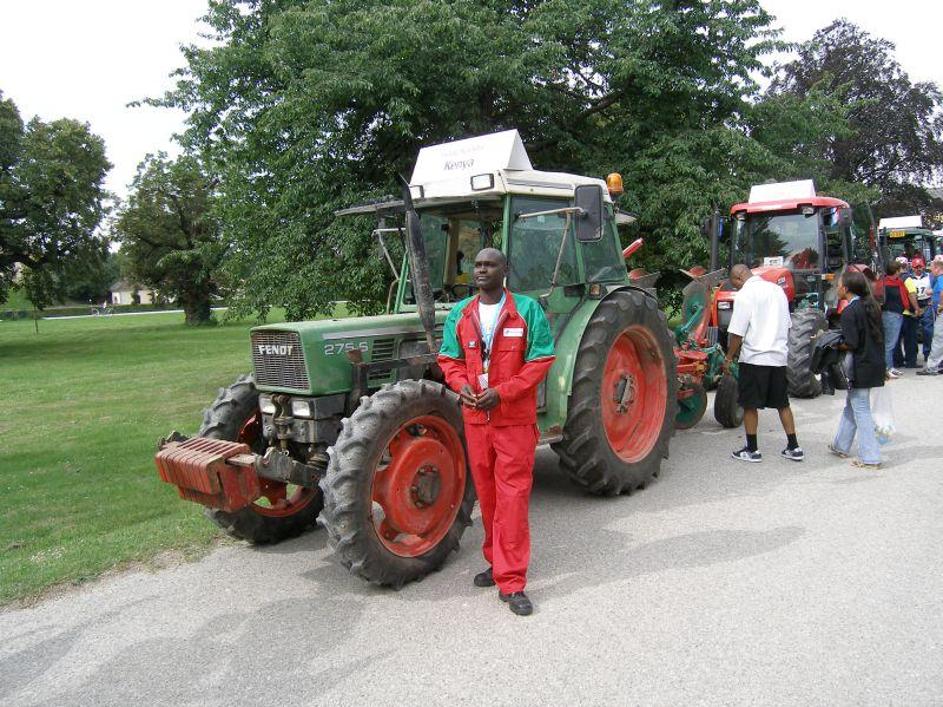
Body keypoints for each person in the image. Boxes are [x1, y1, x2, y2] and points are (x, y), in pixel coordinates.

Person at [437, 247, 555, 616]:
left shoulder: (527, 311)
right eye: (477, 265)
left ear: (505, 270)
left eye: (490, 264)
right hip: (476, 421)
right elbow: (449, 359)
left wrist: (502, 393)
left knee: (513, 499)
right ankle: (496, 560)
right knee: (487, 498)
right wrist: (461, 386)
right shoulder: (461, 313)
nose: (481, 270)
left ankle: (513, 581)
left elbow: (541, 359)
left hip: (513, 422)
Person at [723, 264, 803, 462]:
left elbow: (737, 332)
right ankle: (794, 447)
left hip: (754, 358)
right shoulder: (777, 291)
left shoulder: (745, 295)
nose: (735, 288)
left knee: (750, 405)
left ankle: (752, 450)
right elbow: (788, 325)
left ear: (738, 278)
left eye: (734, 284)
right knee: (782, 404)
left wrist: (729, 357)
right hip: (778, 358)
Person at [829, 270, 886, 468]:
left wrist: (835, 344)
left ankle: (870, 457)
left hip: (860, 367)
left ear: (846, 289)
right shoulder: (872, 307)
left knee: (860, 409)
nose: (837, 288)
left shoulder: (849, 312)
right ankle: (840, 445)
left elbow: (851, 343)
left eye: (838, 285)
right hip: (874, 363)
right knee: (852, 406)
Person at [879, 260, 912, 378]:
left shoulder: (890, 282)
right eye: (900, 269)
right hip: (891, 314)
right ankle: (887, 368)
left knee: (891, 343)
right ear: (896, 271)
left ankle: (890, 366)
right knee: (890, 343)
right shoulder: (889, 284)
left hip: (895, 314)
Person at [916, 258, 943, 375]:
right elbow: (937, 293)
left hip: (941, 312)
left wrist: (940, 306)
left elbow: (942, 292)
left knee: (938, 338)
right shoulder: (938, 279)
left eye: (932, 268)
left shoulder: (941, 278)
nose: (930, 271)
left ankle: (932, 367)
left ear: (937, 268)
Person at [895, 257, 921, 368]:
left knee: (896, 339)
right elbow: (912, 294)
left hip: (895, 313)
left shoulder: (889, 278)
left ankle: (897, 362)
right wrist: (916, 308)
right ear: (907, 266)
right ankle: (911, 362)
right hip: (908, 313)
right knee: (910, 339)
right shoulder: (908, 279)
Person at [909, 257, 934, 363]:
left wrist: (932, 299)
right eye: (916, 267)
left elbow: (935, 288)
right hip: (914, 305)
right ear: (912, 268)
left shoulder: (929, 277)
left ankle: (927, 353)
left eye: (920, 267)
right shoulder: (909, 278)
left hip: (926, 303)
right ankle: (913, 355)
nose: (918, 269)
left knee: (928, 330)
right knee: (912, 331)